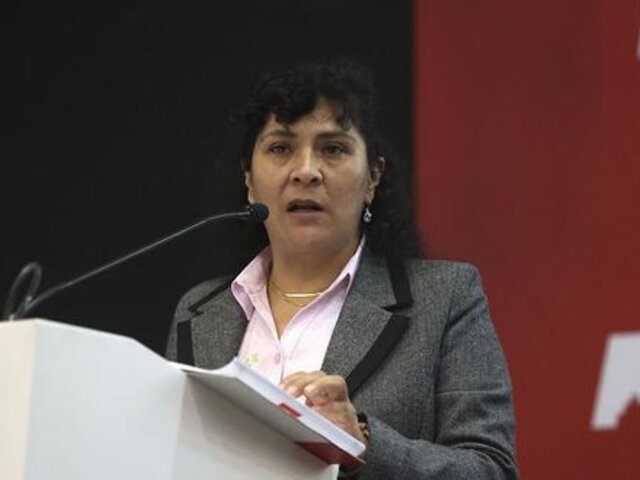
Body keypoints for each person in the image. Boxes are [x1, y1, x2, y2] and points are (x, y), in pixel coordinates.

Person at [166, 62, 518, 479]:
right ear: (249, 179)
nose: (306, 171)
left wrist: (362, 441)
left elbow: (492, 470)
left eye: (333, 149)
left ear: (373, 177)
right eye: (280, 148)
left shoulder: (444, 299)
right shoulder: (200, 312)